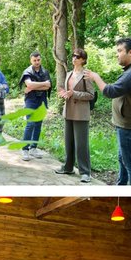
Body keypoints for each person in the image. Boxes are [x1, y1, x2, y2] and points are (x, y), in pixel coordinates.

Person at [82, 37, 131, 185]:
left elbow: (110, 91)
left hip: (130, 127)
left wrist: (96, 77)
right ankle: (121, 186)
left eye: (119, 51)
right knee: (123, 159)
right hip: (128, 125)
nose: (117, 54)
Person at [54, 47, 95, 182]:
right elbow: (68, 91)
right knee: (69, 141)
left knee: (81, 144)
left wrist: (74, 93)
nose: (74, 58)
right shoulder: (69, 73)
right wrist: (64, 93)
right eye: (73, 56)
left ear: (83, 60)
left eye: (77, 56)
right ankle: (68, 167)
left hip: (81, 113)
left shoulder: (86, 75)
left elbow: (91, 95)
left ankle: (85, 172)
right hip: (69, 110)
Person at [20, 51, 52, 161]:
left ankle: (33, 148)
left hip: (41, 100)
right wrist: (41, 84)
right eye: (34, 60)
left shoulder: (45, 71)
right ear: (31, 60)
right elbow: (29, 84)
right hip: (31, 100)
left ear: (40, 60)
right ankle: (25, 149)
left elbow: (48, 86)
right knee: (31, 123)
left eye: (38, 60)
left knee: (38, 124)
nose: (37, 62)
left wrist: (33, 86)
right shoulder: (27, 72)